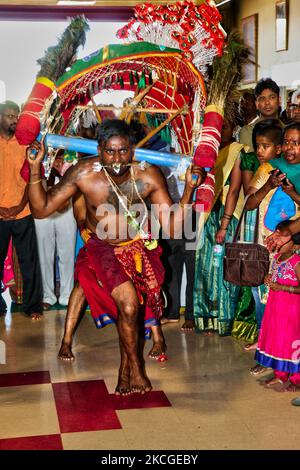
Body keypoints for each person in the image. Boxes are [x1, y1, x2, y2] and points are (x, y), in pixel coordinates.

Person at [26, 119, 206, 394]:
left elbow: (172, 227)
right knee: (130, 306)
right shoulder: (84, 173)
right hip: (103, 248)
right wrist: (36, 167)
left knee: (133, 311)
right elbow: (41, 209)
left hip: (138, 247)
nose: (118, 159)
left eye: (123, 151)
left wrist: (190, 189)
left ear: (132, 150)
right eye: (110, 151)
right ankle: (135, 368)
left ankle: (125, 369)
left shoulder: (148, 175)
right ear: (99, 150)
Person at [193, 117, 245, 336]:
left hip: (226, 215)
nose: (219, 131)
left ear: (234, 127)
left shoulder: (238, 150)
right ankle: (206, 318)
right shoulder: (207, 152)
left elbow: (233, 190)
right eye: (216, 127)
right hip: (207, 216)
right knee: (204, 268)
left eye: (224, 126)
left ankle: (223, 319)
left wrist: (224, 225)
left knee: (223, 268)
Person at [0, 100, 43, 320]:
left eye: (17, 115)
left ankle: (33, 306)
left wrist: (18, 206)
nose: (15, 120)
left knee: (29, 261)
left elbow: (32, 179)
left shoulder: (26, 143)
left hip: (22, 211)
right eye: (9, 116)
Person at [254, 220, 300, 392]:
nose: (277, 242)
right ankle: (280, 374)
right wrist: (269, 279)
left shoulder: (297, 262)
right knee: (278, 339)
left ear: (295, 245)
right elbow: (274, 275)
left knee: (292, 341)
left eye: (283, 239)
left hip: (292, 310)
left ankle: (296, 378)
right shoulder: (277, 258)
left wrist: (282, 287)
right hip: (276, 308)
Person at [34, 152, 77, 309]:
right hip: (41, 203)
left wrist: (63, 163)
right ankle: (47, 295)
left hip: (66, 204)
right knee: (44, 253)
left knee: (67, 252)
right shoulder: (39, 142)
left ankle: (67, 294)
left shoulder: (70, 146)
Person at [239, 78, 281, 152]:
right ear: (257, 104)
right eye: (262, 99)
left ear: (279, 101)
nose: (267, 102)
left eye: (272, 97)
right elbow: (252, 161)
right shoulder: (247, 131)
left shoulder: (287, 130)